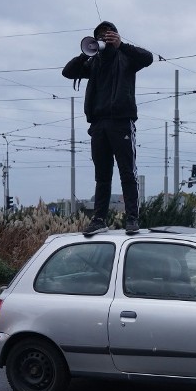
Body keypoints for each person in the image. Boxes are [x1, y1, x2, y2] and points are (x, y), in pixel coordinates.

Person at [62, 21, 154, 236]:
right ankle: (99, 218)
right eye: (100, 36)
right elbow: (68, 72)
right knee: (102, 175)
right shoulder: (94, 63)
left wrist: (121, 45)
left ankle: (132, 217)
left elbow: (148, 58)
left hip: (121, 121)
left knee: (127, 172)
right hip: (98, 124)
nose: (105, 39)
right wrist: (87, 53)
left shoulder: (126, 58)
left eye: (108, 35)